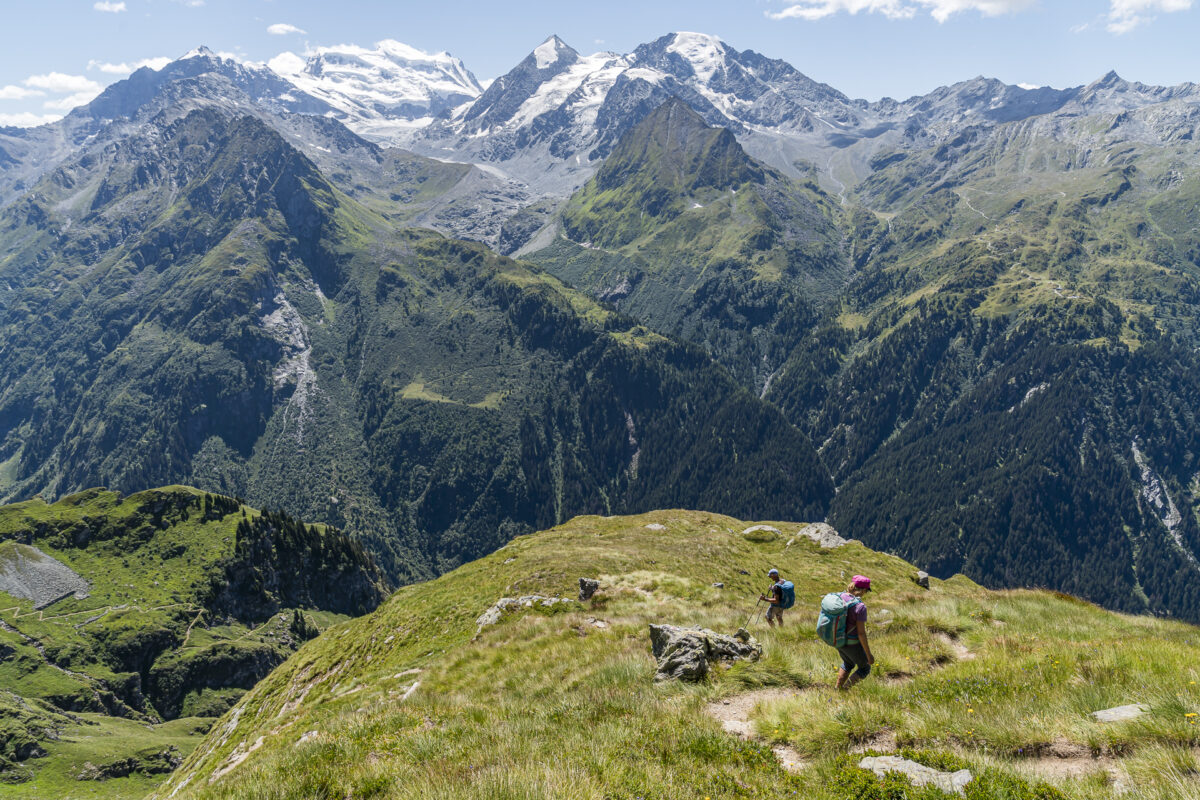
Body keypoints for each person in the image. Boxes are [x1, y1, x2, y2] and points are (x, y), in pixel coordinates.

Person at [836, 575, 874, 690]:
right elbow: (861, 634)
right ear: (863, 590)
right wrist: (869, 655)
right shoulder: (860, 607)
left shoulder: (839, 597)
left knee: (848, 663)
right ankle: (845, 690)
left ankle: (837, 689)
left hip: (837, 639)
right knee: (865, 668)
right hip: (851, 642)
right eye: (866, 591)